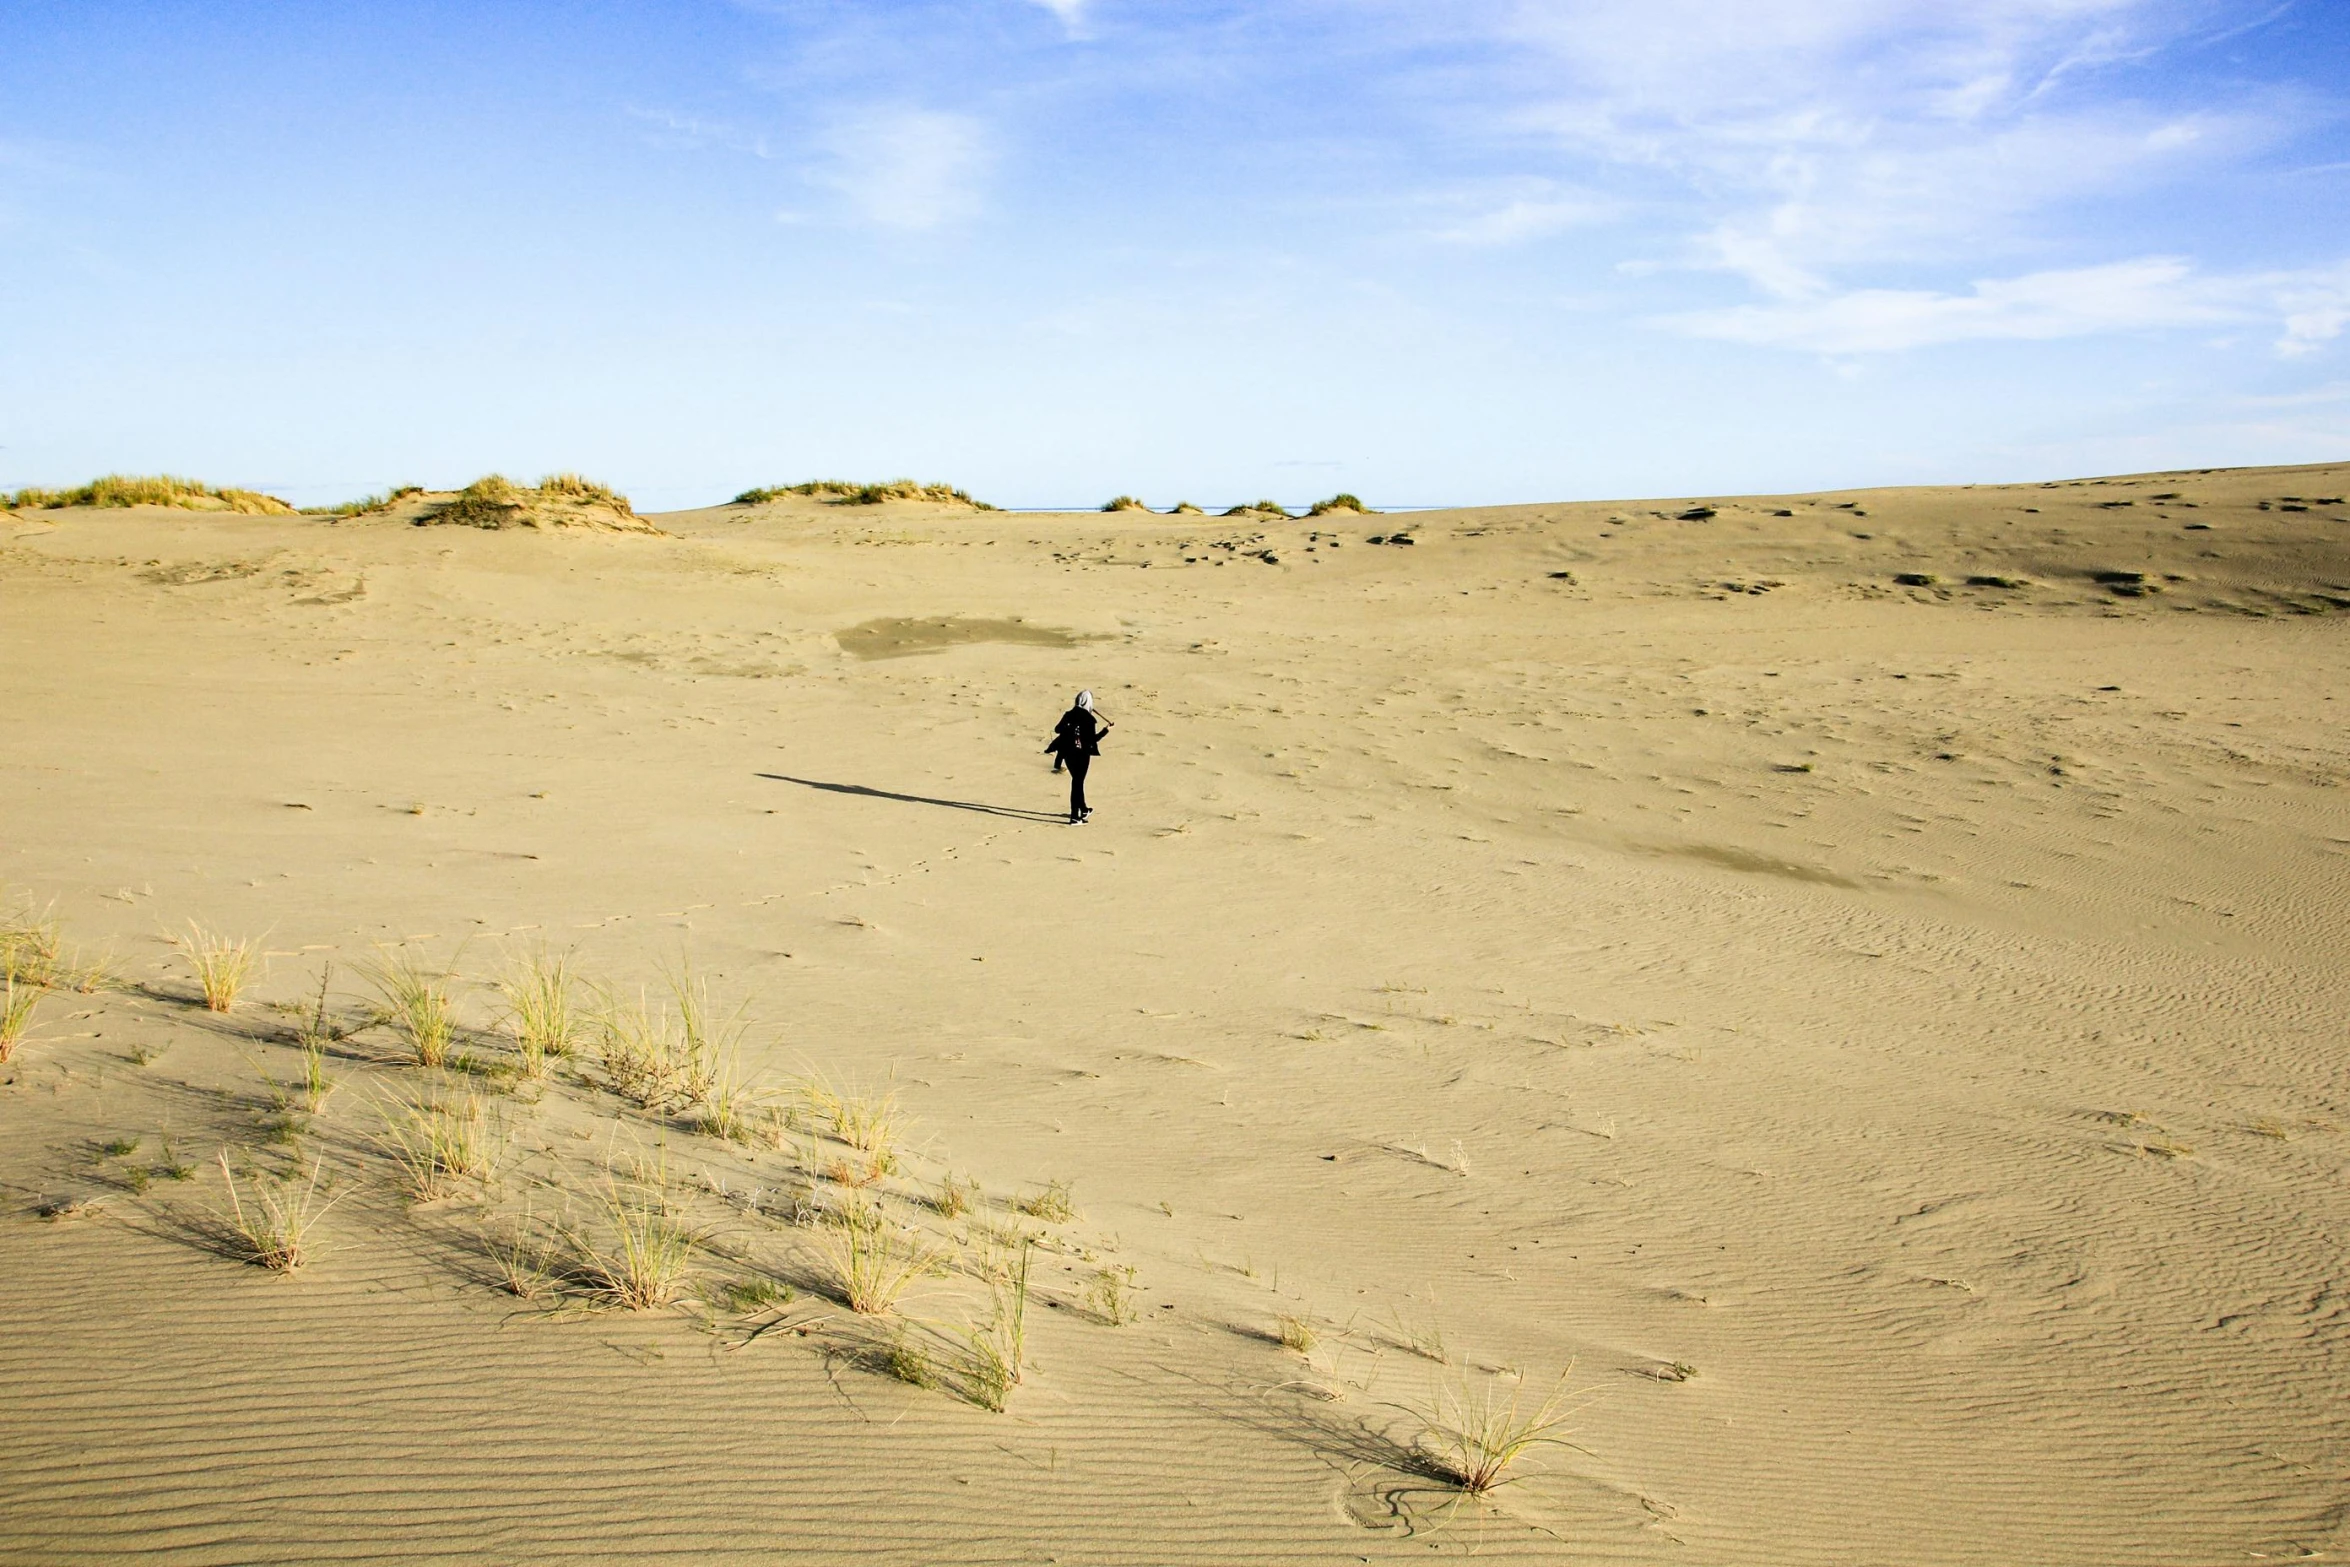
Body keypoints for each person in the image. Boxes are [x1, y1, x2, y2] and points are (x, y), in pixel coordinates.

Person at [1045, 690, 1112, 823]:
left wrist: (1071, 728)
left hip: (1067, 752)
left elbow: (1058, 729)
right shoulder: (1089, 719)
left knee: (1077, 782)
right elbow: (1093, 739)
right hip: (1081, 754)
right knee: (1077, 783)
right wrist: (1106, 730)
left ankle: (1084, 809)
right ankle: (1075, 816)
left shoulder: (1069, 714)